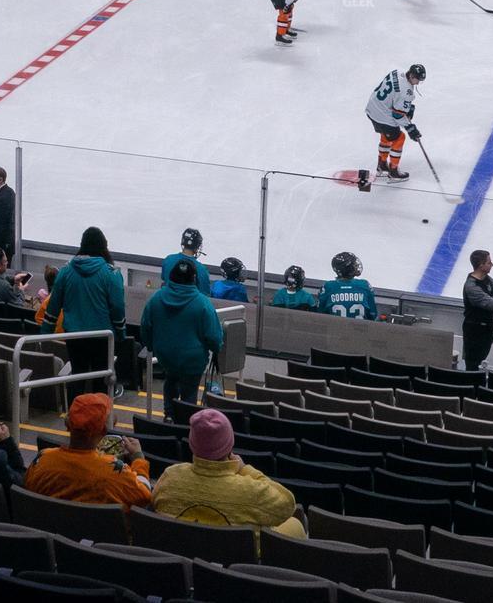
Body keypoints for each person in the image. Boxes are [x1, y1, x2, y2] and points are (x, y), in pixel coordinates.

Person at [150, 409, 304, 537]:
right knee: (295, 524)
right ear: (230, 447)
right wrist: (244, 469)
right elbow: (287, 504)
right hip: (242, 564)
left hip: (182, 553)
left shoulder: (170, 476)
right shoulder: (249, 490)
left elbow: (154, 501)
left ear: (192, 444)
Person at [24, 393, 151, 507]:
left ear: (67, 425)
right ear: (104, 431)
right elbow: (144, 496)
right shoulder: (116, 472)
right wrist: (138, 458)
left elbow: (28, 487)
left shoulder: (41, 460)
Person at [45, 227, 128, 397]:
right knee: (101, 380)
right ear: (104, 247)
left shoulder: (66, 272)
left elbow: (53, 307)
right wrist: (121, 333)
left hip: (74, 336)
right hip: (102, 336)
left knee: (78, 375)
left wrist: (44, 335)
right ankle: (99, 419)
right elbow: (118, 308)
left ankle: (75, 417)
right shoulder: (111, 274)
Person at [139, 259, 224, 420]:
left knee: (170, 381)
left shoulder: (156, 299)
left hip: (166, 357)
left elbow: (145, 327)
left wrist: (151, 346)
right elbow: (214, 337)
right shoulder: (203, 303)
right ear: (194, 279)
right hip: (192, 360)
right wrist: (217, 347)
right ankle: (185, 422)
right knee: (190, 390)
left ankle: (169, 416)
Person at [320, 252, 376, 320]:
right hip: (360, 329)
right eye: (354, 264)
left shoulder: (328, 286)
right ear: (350, 269)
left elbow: (320, 313)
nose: (356, 265)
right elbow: (373, 314)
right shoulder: (364, 285)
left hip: (334, 329)